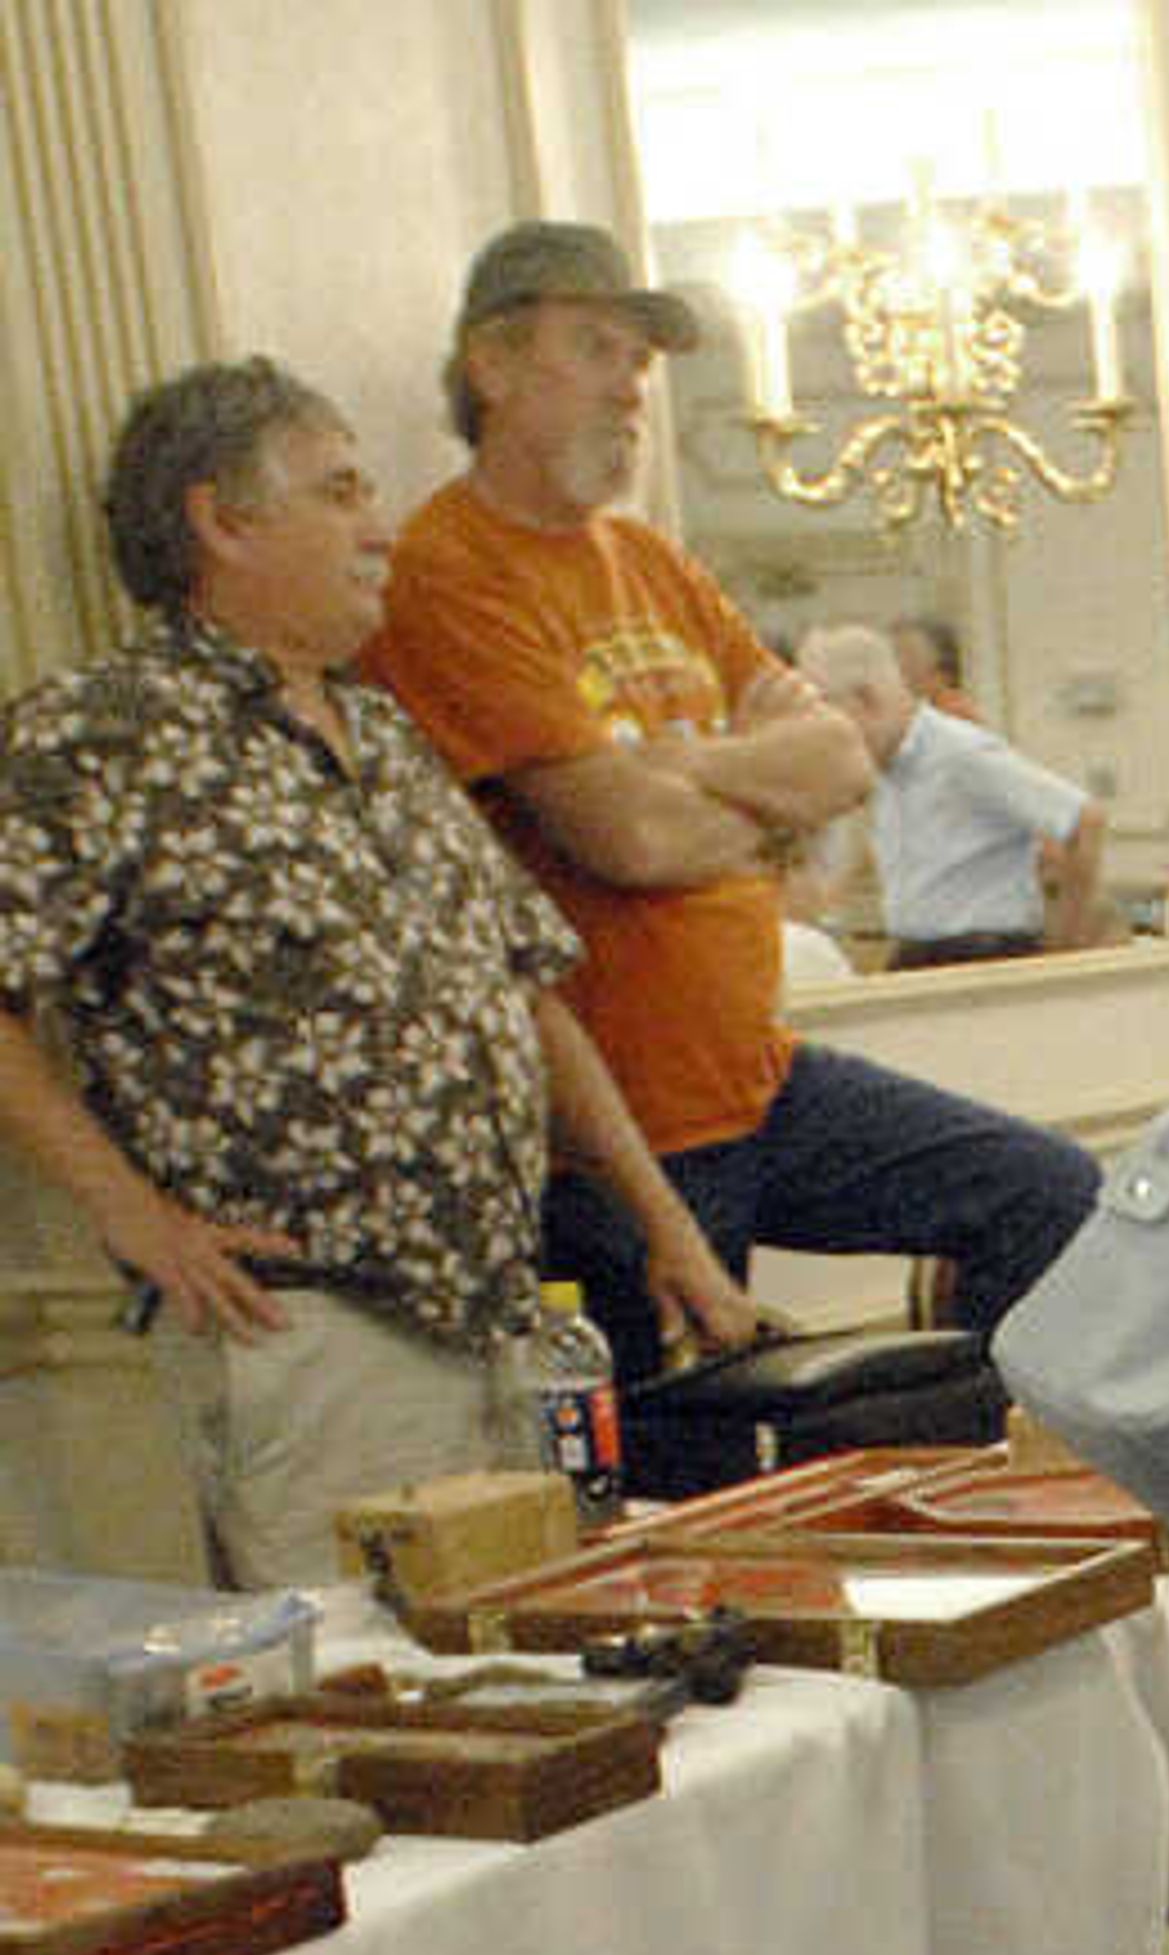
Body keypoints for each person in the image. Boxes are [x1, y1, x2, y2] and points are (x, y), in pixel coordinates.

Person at [0, 355, 752, 1585]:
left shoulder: (386, 733)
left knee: (548, 1671)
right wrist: (139, 1222)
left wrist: (666, 1225)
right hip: (310, 1324)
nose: (381, 527)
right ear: (222, 518)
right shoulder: (100, 734)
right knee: (381, 1706)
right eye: (340, 491)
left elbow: (523, 985)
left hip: (499, 1317)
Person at [366, 222, 1101, 1392]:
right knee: (689, 1480)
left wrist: (679, 763)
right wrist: (744, 789)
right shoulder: (446, 572)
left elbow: (842, 761)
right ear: (493, 367)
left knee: (1048, 1193)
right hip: (614, 1140)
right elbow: (630, 838)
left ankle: (981, 1502)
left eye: (640, 365)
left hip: (757, 1079)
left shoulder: (651, 561)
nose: (632, 389)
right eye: (598, 349)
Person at [797, 621, 1108, 965]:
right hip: (916, 954)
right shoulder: (882, 768)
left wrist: (1066, 943)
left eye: (829, 715)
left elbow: (1085, 819)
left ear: (866, 698)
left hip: (984, 956)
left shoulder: (960, 752)